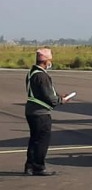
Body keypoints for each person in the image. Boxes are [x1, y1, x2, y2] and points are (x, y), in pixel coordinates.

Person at [24, 48, 67, 176]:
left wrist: (58, 96)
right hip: (40, 113)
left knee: (34, 140)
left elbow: (40, 92)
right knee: (42, 141)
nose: (50, 63)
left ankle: (30, 166)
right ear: (45, 61)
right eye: (50, 60)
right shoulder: (42, 75)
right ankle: (39, 167)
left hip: (31, 111)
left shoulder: (32, 72)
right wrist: (60, 100)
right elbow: (48, 95)